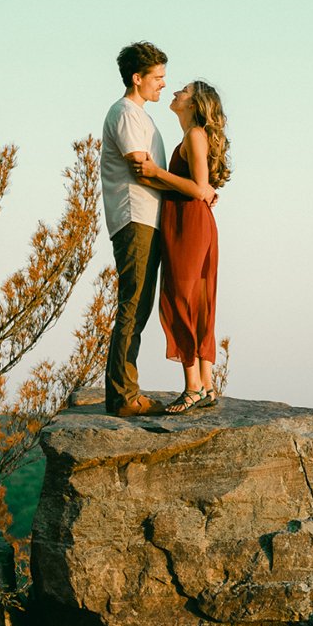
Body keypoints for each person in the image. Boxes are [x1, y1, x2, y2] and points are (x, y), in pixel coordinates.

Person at [132, 80, 230, 414]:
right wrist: (153, 176)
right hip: (192, 222)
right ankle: (205, 384)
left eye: (184, 91)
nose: (175, 92)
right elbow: (198, 187)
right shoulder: (193, 137)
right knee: (198, 301)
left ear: (196, 103)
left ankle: (191, 387)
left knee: (181, 299)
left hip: (189, 225)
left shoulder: (194, 135)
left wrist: (155, 171)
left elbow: (199, 187)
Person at [100, 42, 175, 417]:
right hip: (135, 217)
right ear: (137, 78)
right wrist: (190, 188)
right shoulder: (126, 113)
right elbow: (141, 169)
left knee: (140, 306)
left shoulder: (143, 116)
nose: (163, 84)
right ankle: (123, 397)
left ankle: (126, 391)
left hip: (148, 218)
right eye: (158, 77)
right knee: (133, 305)